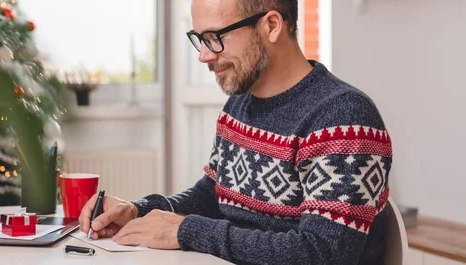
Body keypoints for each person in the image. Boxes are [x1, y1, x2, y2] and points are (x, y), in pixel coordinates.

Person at [79, 0, 392, 264]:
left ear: (271, 25)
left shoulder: (343, 118)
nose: (204, 55)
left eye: (216, 36)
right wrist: (137, 211)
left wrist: (187, 231)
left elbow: (321, 252)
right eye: (199, 38)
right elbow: (213, 195)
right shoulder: (238, 106)